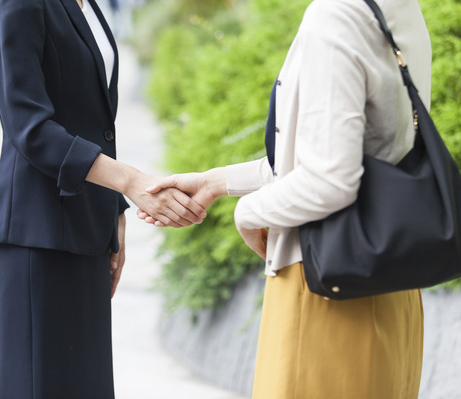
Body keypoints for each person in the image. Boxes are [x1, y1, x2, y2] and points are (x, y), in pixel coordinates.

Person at [140, 0, 431, 396]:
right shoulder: (395, 7)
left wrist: (247, 211)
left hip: (325, 288)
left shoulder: (334, 17)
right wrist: (219, 181)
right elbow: (355, 154)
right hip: (390, 285)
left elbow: (332, 180)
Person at [0, 0, 205, 397]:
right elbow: (31, 130)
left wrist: (114, 211)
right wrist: (129, 183)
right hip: (36, 242)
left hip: (86, 233)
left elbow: (91, 120)